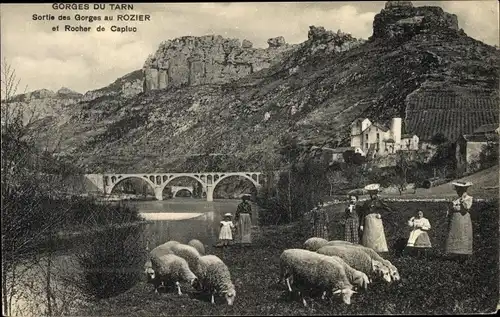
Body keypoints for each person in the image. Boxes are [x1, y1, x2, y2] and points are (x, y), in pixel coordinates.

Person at [359, 184, 392, 253]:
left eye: (374, 193)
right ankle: (370, 250)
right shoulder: (367, 202)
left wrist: (381, 215)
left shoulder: (380, 201)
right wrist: (361, 224)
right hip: (368, 221)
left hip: (376, 221)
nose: (372, 194)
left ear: (376, 193)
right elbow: (363, 213)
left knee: (377, 237)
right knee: (368, 237)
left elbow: (389, 210)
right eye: (371, 193)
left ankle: (379, 251)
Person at [445, 181, 474, 259]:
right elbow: (451, 209)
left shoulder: (468, 198)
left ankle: (464, 256)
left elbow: (467, 207)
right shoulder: (455, 199)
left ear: (464, 190)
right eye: (457, 190)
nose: (458, 192)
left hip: (463, 219)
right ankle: (456, 255)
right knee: (455, 235)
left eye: (460, 190)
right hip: (455, 220)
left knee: (463, 235)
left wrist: (462, 200)